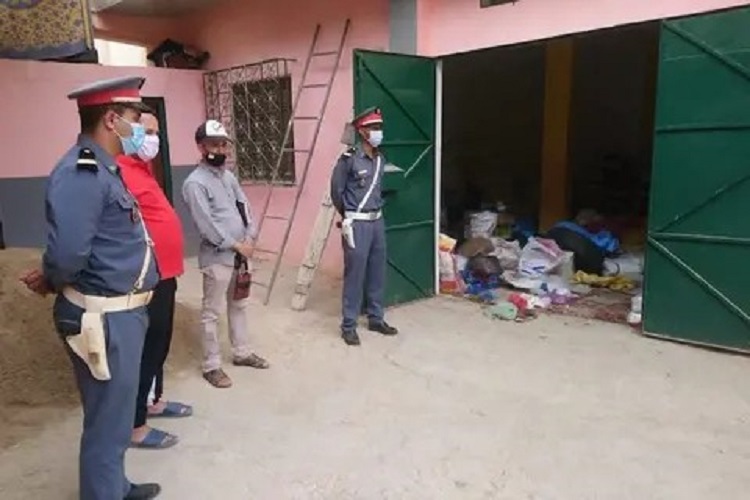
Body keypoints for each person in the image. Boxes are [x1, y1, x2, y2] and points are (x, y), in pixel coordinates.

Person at [19, 76, 161, 499]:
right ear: (112, 119)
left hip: (120, 314)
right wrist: (52, 275)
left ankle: (114, 486)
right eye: (135, 118)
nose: (141, 129)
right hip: (102, 317)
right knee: (107, 423)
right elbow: (68, 253)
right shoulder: (82, 172)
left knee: (114, 416)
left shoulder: (104, 168)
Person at [117, 113, 192, 450]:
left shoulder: (142, 168)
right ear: (123, 130)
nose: (152, 139)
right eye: (146, 131)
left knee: (160, 343)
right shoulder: (118, 171)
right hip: (147, 276)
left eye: (156, 132)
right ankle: (135, 424)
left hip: (166, 272)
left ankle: (153, 401)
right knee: (146, 347)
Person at [182, 119, 269, 389]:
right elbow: (206, 224)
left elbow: (244, 206)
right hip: (218, 258)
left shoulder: (228, 177)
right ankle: (211, 366)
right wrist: (235, 244)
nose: (220, 150)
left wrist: (250, 235)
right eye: (214, 145)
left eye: (223, 145)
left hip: (241, 255)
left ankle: (242, 352)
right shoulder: (195, 183)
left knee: (239, 304)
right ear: (201, 147)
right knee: (211, 312)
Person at [330, 107, 399, 346]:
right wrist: (349, 215)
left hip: (377, 221)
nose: (378, 132)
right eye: (373, 128)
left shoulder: (380, 159)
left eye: (379, 128)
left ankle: (376, 318)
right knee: (355, 274)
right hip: (357, 223)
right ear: (362, 131)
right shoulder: (349, 159)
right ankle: (349, 325)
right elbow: (336, 192)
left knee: (377, 272)